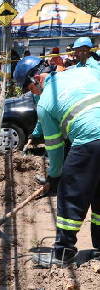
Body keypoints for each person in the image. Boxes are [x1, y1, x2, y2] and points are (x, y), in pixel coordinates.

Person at [14, 56, 100, 268]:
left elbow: (54, 147)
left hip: (90, 141)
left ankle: (63, 252)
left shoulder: (45, 101)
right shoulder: (83, 72)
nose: (31, 93)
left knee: (70, 195)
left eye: (28, 88)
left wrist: (54, 177)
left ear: (35, 79)